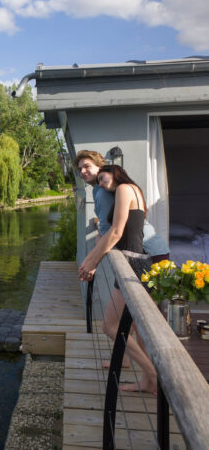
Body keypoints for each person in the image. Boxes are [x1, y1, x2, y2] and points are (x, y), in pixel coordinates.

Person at [78, 165, 158, 394]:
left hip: (132, 264)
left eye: (103, 179)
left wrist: (92, 263)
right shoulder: (134, 190)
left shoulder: (124, 188)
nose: (101, 184)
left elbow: (116, 232)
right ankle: (147, 381)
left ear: (115, 172)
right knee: (135, 326)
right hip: (137, 262)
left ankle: (153, 374)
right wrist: (90, 261)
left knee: (110, 326)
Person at [74, 150, 169, 260]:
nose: (82, 171)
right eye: (80, 169)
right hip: (153, 248)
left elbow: (108, 228)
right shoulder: (101, 189)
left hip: (148, 250)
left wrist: (99, 241)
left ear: (100, 167)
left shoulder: (102, 192)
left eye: (86, 166)